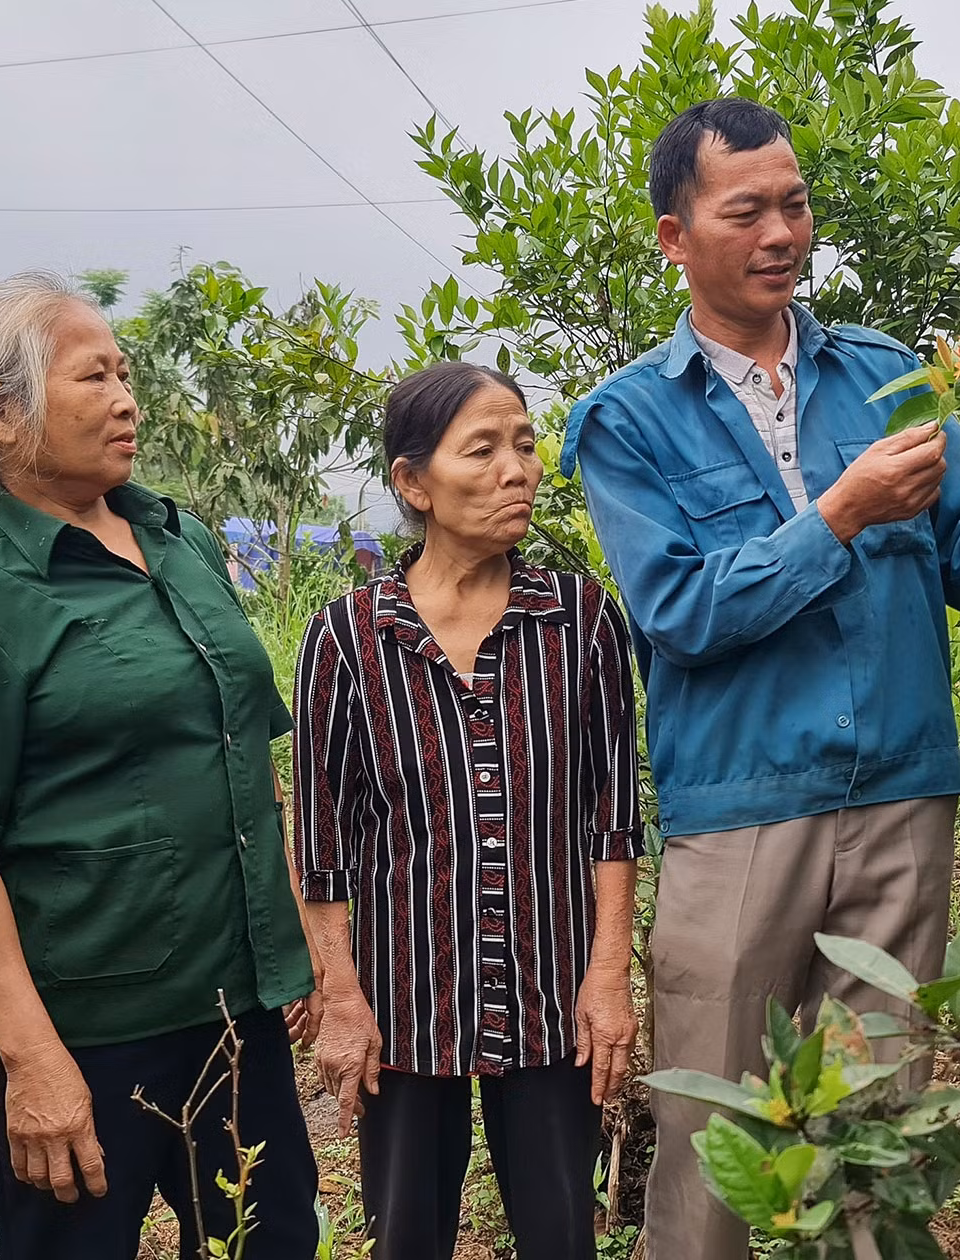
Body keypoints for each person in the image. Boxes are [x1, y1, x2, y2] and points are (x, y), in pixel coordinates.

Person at [559, 98, 960, 1260]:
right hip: (743, 809)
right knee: (719, 1133)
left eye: (793, 204)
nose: (779, 232)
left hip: (901, 794)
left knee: (877, 1125)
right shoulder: (627, 420)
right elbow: (683, 611)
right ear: (674, 236)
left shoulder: (889, 375)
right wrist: (840, 512)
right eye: (743, 209)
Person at [0, 273, 320, 1260]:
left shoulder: (183, 542)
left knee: (272, 1237)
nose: (127, 398)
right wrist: (32, 1059)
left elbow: (243, 753)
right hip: (83, 1035)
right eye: (94, 377)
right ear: (0, 410)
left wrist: (286, 940)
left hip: (230, 1015)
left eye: (125, 374)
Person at [295, 363, 641, 1260]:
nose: (515, 470)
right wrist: (340, 998)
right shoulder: (349, 636)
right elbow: (322, 839)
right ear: (414, 483)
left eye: (524, 445)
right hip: (403, 999)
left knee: (562, 1229)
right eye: (481, 450)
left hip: (549, 993)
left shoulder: (580, 620)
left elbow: (613, 817)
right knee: (406, 1234)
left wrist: (607, 978)